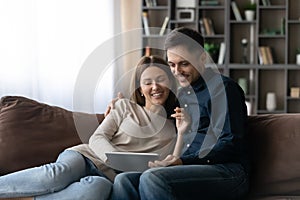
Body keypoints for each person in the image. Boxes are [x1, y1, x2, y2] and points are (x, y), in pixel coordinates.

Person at [0, 55, 190, 200]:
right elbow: (97, 138)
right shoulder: (125, 106)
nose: (155, 86)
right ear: (140, 88)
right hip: (86, 156)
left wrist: (181, 133)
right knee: (59, 173)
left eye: (160, 79)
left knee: (96, 190)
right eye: (148, 82)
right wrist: (116, 159)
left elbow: (170, 163)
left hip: (107, 178)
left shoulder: (174, 126)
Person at [109, 27, 250, 200]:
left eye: (184, 63)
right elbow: (154, 110)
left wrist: (183, 161)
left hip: (228, 171)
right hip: (188, 168)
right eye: (172, 64)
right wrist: (122, 105)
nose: (177, 71)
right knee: (124, 180)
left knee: (152, 178)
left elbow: (230, 142)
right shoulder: (182, 93)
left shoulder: (224, 89)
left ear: (202, 58)